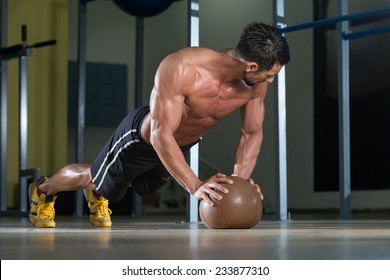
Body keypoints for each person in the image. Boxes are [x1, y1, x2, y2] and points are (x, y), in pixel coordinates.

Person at [29, 22, 290, 228]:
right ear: (251, 65)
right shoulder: (182, 67)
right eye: (269, 74)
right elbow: (160, 133)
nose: (270, 80)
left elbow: (252, 132)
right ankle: (43, 190)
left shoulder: (256, 85)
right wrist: (195, 185)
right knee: (93, 178)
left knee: (133, 184)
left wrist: (238, 182)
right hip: (142, 139)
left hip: (181, 144)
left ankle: (100, 189)